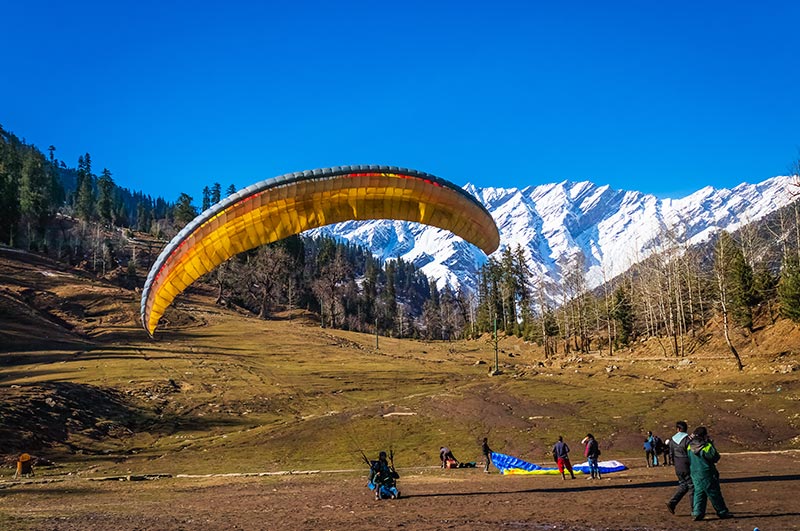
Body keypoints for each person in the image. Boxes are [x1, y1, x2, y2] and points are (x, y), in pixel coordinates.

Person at [687, 427, 732, 521]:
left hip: (695, 472)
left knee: (699, 492)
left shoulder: (689, 446)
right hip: (707, 472)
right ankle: (722, 511)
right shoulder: (706, 446)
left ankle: (697, 513)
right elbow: (715, 457)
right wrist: (711, 443)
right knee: (714, 493)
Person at [665, 421, 693, 515]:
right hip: (687, 465)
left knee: (683, 485)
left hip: (678, 466)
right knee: (692, 487)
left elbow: (671, 454)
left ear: (678, 429)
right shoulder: (687, 439)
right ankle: (695, 510)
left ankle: (672, 503)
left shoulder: (672, 441)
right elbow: (691, 453)